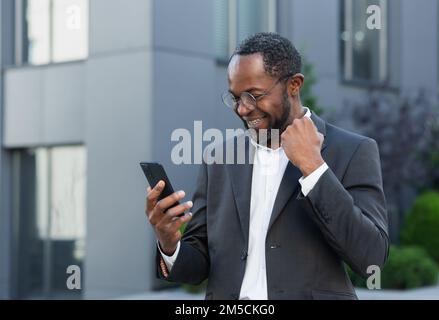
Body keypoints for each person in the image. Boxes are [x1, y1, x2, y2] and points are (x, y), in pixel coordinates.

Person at [146, 32, 389, 300]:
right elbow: (199, 263)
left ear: (294, 85)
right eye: (235, 98)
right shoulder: (218, 158)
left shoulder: (352, 151)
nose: (242, 109)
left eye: (254, 95)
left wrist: (315, 169)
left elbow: (371, 258)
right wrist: (169, 243)